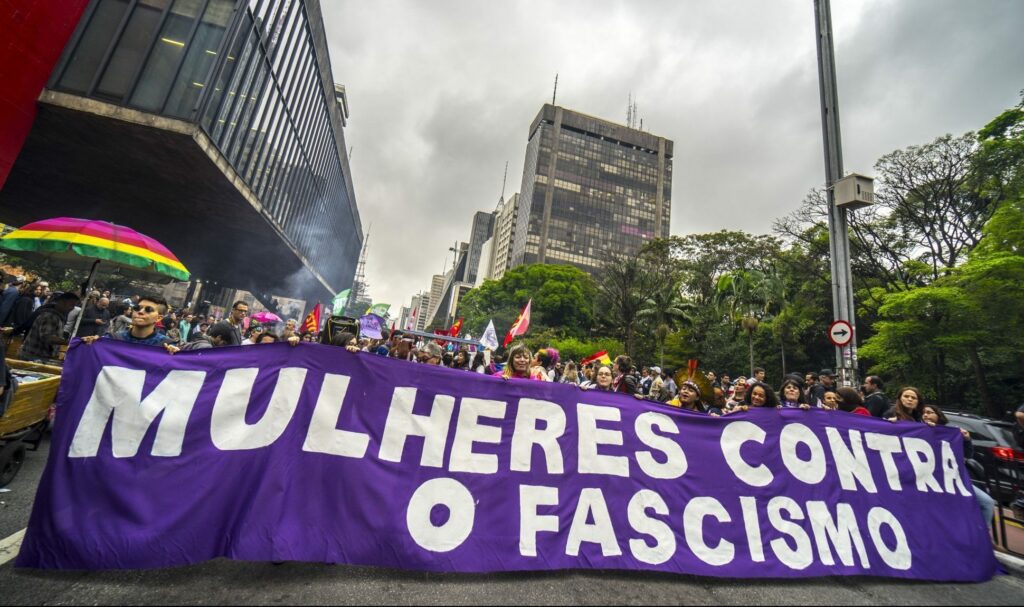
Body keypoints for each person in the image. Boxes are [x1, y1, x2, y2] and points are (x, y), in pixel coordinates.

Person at [922, 403, 996, 527]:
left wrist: (967, 439)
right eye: (923, 413)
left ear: (938, 415)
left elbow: (967, 455)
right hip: (930, 481)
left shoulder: (951, 431)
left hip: (954, 480)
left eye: (929, 412)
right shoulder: (918, 430)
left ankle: (983, 535)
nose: (926, 415)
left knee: (987, 502)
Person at [83, 295, 176, 351]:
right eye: (137, 308)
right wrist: (91, 343)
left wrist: (176, 355)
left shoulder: (165, 346)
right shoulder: (113, 339)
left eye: (148, 310)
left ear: (159, 318)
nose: (140, 312)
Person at [19, 291, 79, 362]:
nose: (72, 308)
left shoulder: (58, 316)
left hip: (40, 357)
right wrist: (68, 342)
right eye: (71, 305)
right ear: (62, 302)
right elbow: (47, 338)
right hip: (34, 357)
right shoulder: (50, 316)